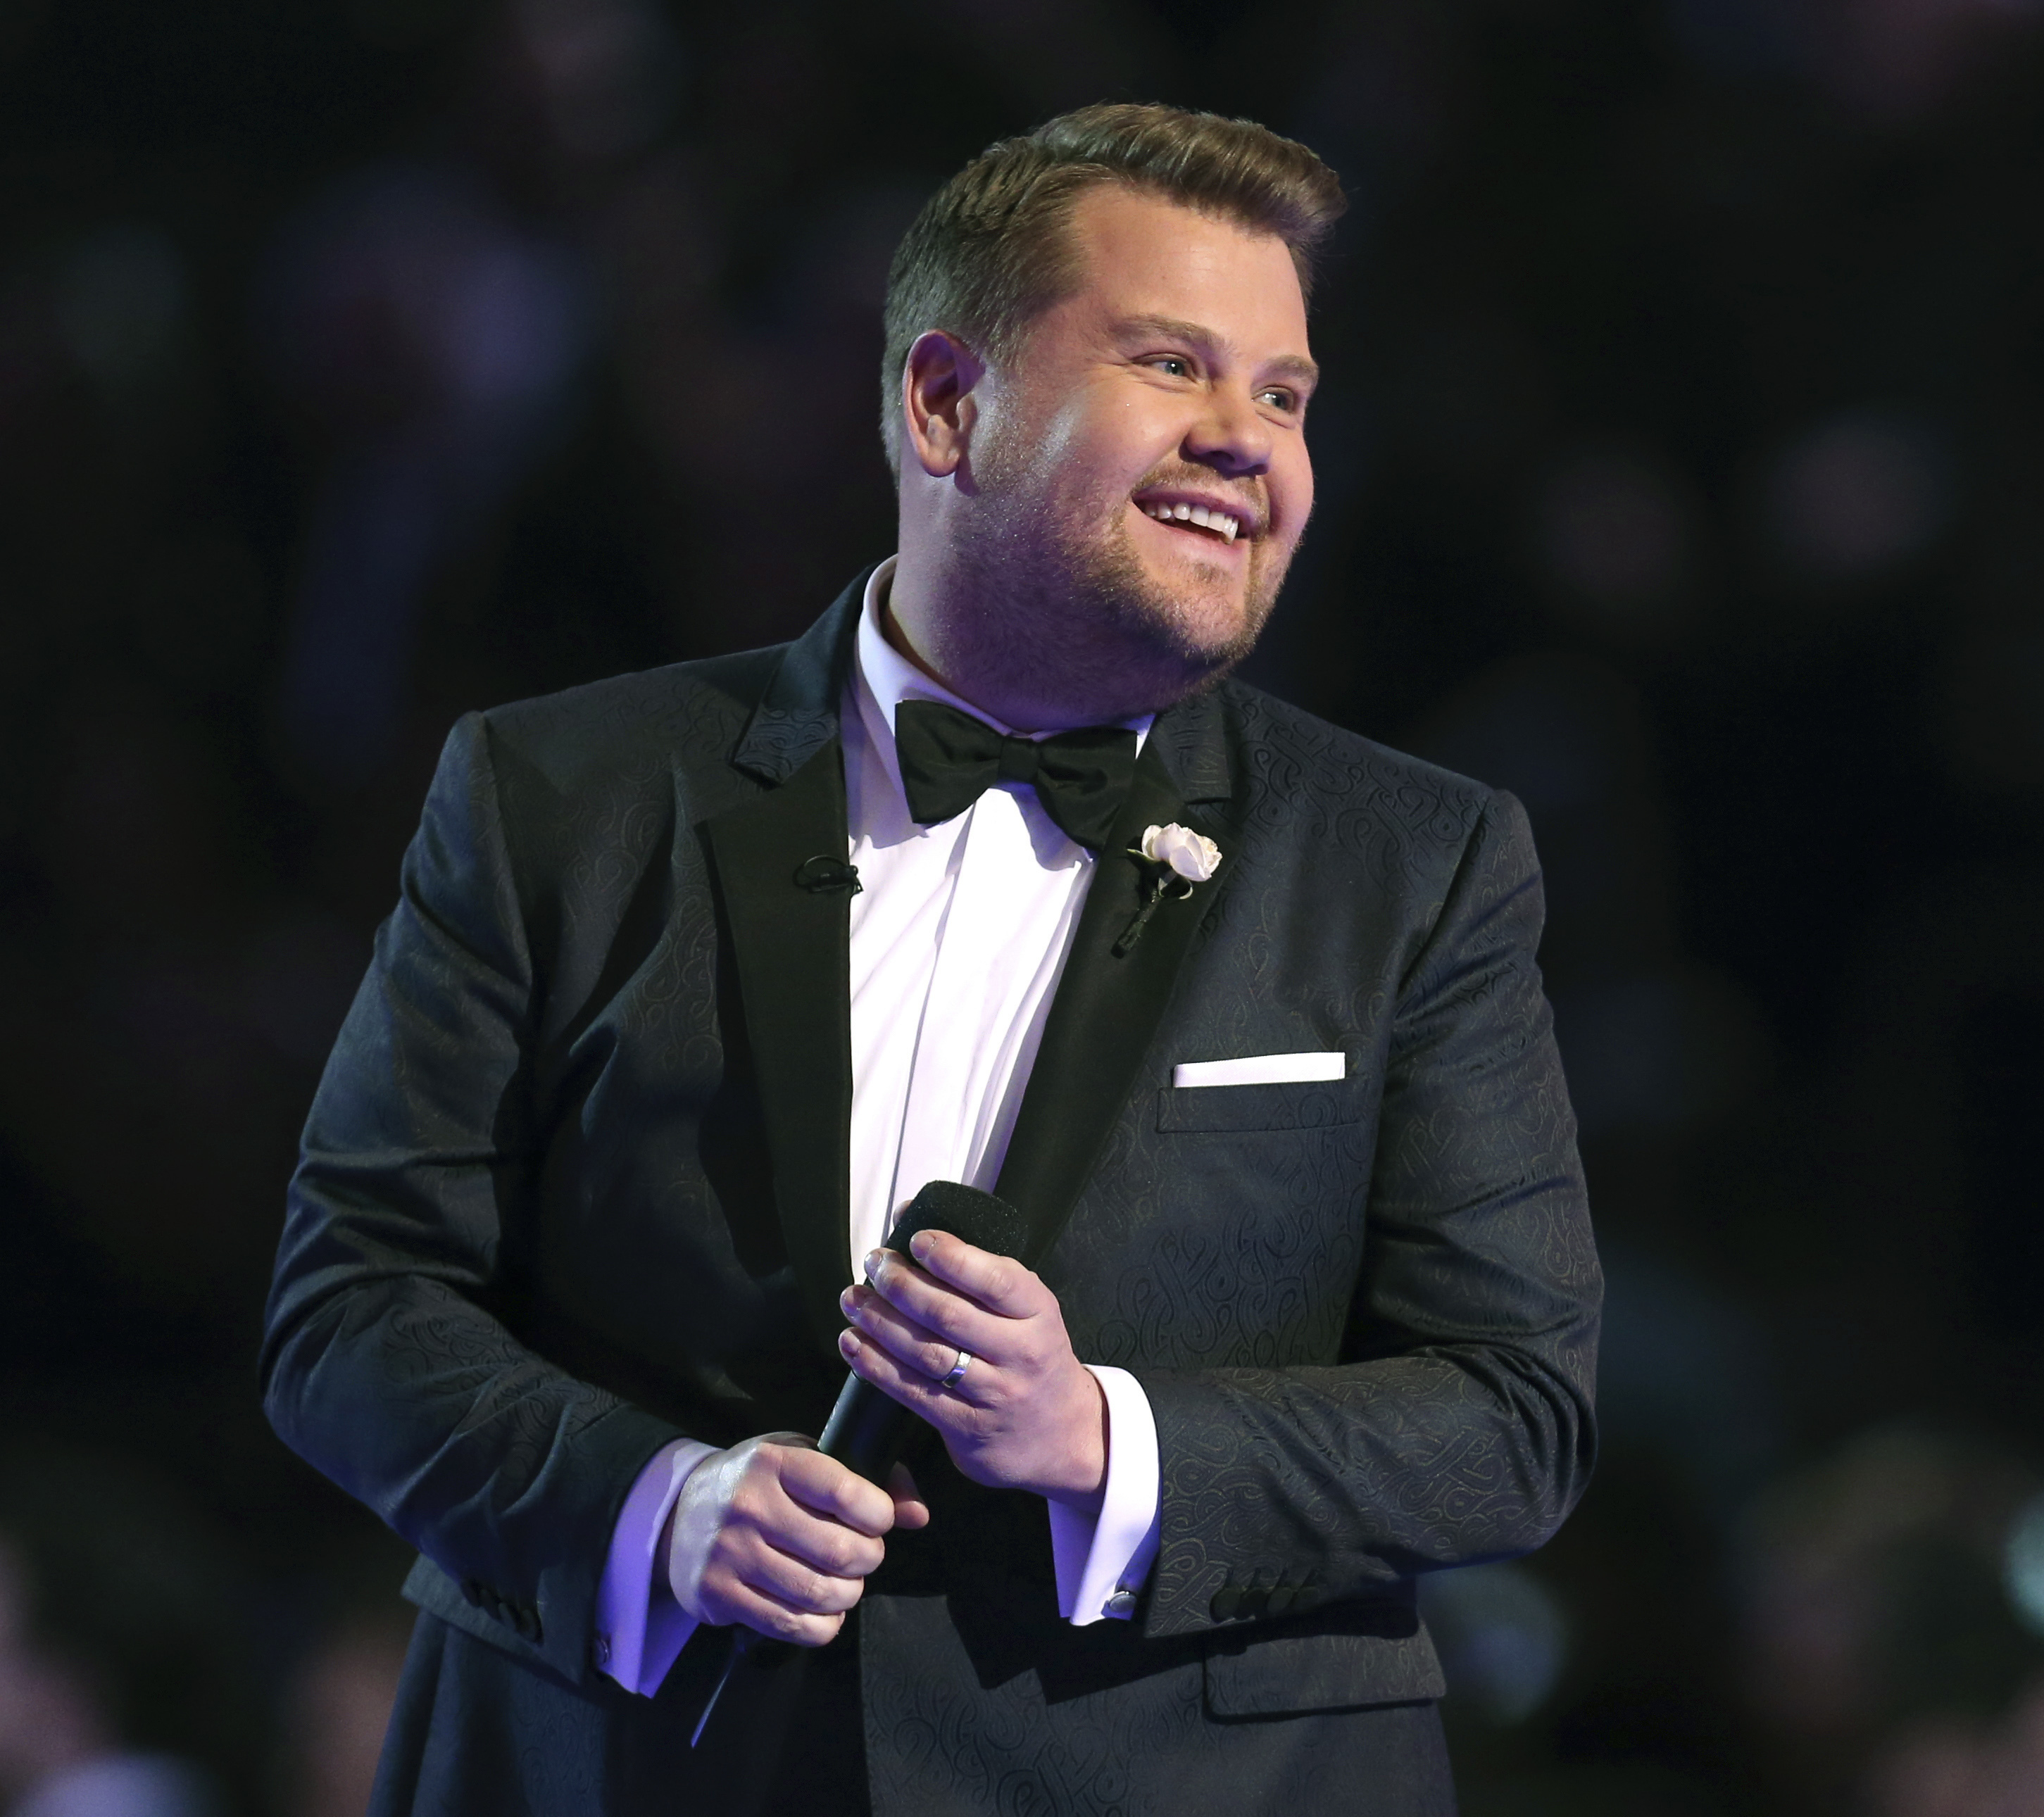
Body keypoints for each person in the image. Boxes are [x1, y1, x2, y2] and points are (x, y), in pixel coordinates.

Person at [261, 103, 1600, 1816]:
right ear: (946, 403)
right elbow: (349, 1311)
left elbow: (1513, 1415)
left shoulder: (1413, 860)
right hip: (631, 1770)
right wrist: (658, 1507)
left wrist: (1105, 1437)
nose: (1244, 440)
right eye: (1173, 365)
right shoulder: (558, 795)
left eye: (1282, 393)